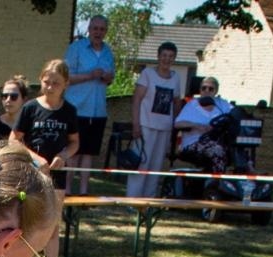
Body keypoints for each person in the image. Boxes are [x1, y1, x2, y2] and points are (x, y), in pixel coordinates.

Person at [11, 58, 76, 257]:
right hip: (32, 174)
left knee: (51, 227)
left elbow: (74, 142)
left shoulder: (69, 111)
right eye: (47, 82)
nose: (50, 87)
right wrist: (36, 159)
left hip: (57, 177)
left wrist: (63, 155)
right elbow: (14, 139)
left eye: (56, 83)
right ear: (41, 80)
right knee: (25, 223)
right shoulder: (29, 108)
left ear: (65, 84)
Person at [61, 13, 112, 196]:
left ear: (106, 32)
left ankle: (83, 192)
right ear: (89, 29)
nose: (98, 32)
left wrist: (108, 77)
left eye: (102, 29)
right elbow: (65, 77)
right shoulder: (76, 48)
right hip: (77, 108)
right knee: (73, 152)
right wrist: (90, 75)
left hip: (97, 111)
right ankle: (67, 190)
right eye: (95, 28)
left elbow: (110, 77)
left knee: (88, 153)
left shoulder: (107, 52)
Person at [126, 40, 183, 199]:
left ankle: (148, 199)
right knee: (142, 163)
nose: (167, 59)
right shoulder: (147, 74)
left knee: (156, 165)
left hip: (164, 127)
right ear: (158, 56)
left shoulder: (176, 78)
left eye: (171, 56)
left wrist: (175, 125)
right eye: (164, 55)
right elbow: (137, 99)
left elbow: (177, 101)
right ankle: (132, 199)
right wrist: (136, 124)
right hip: (145, 125)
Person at [172, 76, 233, 172]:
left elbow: (235, 114)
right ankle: (214, 183)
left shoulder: (222, 104)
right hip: (194, 143)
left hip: (218, 142)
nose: (206, 91)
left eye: (210, 89)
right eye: (203, 88)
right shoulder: (192, 104)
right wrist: (197, 126)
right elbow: (178, 124)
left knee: (236, 151)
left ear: (216, 91)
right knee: (217, 150)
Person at [0, 74, 28, 141]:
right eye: (4, 96)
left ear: (24, 99)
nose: (8, 100)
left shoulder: (31, 123)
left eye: (13, 97)